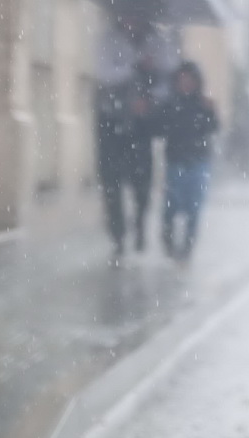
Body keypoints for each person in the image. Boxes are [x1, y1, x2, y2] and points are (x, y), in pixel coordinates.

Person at [94, 9, 177, 260]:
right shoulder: (108, 39)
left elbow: (169, 78)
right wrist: (135, 66)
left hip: (142, 124)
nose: (132, 21)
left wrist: (150, 98)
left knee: (142, 179)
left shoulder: (158, 41)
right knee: (111, 182)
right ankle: (118, 235)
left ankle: (140, 222)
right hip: (111, 117)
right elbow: (104, 73)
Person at [156, 61, 219, 259]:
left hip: (198, 161)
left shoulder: (202, 103)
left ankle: (187, 249)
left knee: (194, 206)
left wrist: (210, 111)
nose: (186, 83)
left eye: (189, 79)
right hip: (176, 161)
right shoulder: (170, 104)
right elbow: (159, 128)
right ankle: (168, 237)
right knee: (172, 204)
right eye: (182, 79)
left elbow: (214, 127)